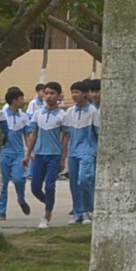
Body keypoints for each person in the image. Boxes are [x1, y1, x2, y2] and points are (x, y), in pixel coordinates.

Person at [28, 82, 68, 223]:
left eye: (52, 93)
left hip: (54, 156)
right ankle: (49, 203)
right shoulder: (38, 114)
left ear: (58, 95)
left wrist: (63, 158)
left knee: (50, 185)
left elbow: (65, 138)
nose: (49, 96)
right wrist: (28, 154)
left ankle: (47, 215)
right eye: (47, 93)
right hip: (39, 155)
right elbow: (33, 134)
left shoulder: (62, 115)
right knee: (35, 187)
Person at [0, 87, 31, 220]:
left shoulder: (24, 116)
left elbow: (27, 135)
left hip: (18, 153)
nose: (23, 101)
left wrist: (29, 151)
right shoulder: (2, 115)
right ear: (14, 101)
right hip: (4, 153)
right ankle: (1, 211)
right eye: (21, 99)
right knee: (2, 183)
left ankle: (21, 199)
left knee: (19, 179)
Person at [67, 79, 99, 225]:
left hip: (87, 151)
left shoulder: (93, 111)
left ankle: (87, 210)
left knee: (84, 179)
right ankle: (77, 212)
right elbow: (66, 134)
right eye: (72, 92)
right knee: (74, 182)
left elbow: (98, 133)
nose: (74, 95)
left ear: (85, 94)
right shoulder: (70, 111)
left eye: (77, 92)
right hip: (72, 151)